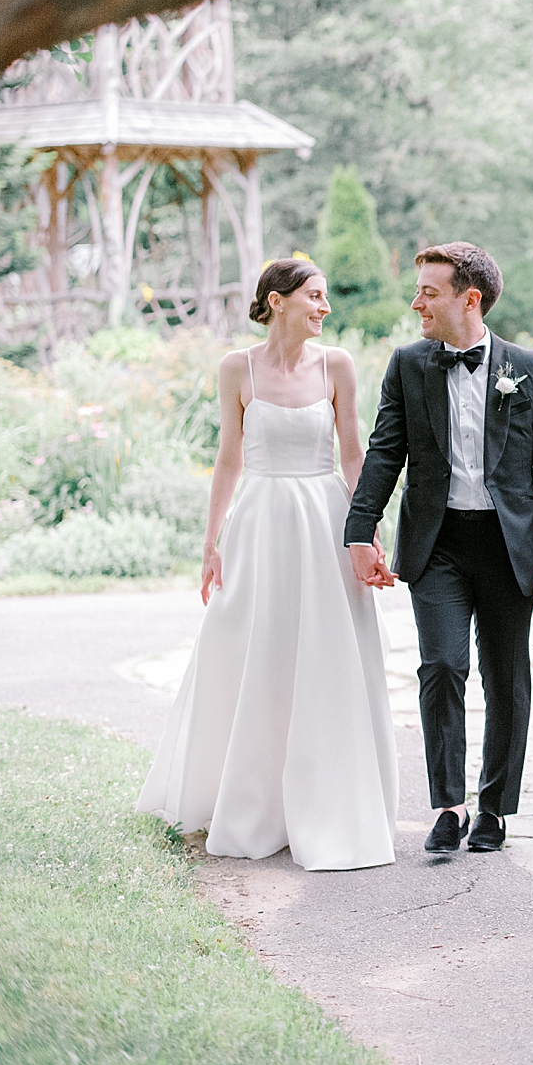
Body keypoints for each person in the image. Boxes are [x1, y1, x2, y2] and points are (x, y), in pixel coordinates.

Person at [136, 259, 399, 870]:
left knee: (325, 654)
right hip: (258, 522)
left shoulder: (338, 365)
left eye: (326, 296)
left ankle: (327, 797)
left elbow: (354, 454)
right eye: (314, 295)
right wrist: (211, 541)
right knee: (253, 650)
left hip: (324, 518)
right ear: (276, 301)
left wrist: (367, 531)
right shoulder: (237, 368)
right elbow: (228, 459)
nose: (324, 307)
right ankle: (251, 800)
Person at [343, 242, 533, 855]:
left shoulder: (531, 368)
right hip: (438, 544)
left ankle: (494, 809)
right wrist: (358, 530)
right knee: (442, 667)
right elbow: (384, 453)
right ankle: (448, 804)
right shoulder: (408, 365)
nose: (416, 301)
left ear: (468, 299)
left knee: (506, 678)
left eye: (429, 290)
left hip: (509, 548)